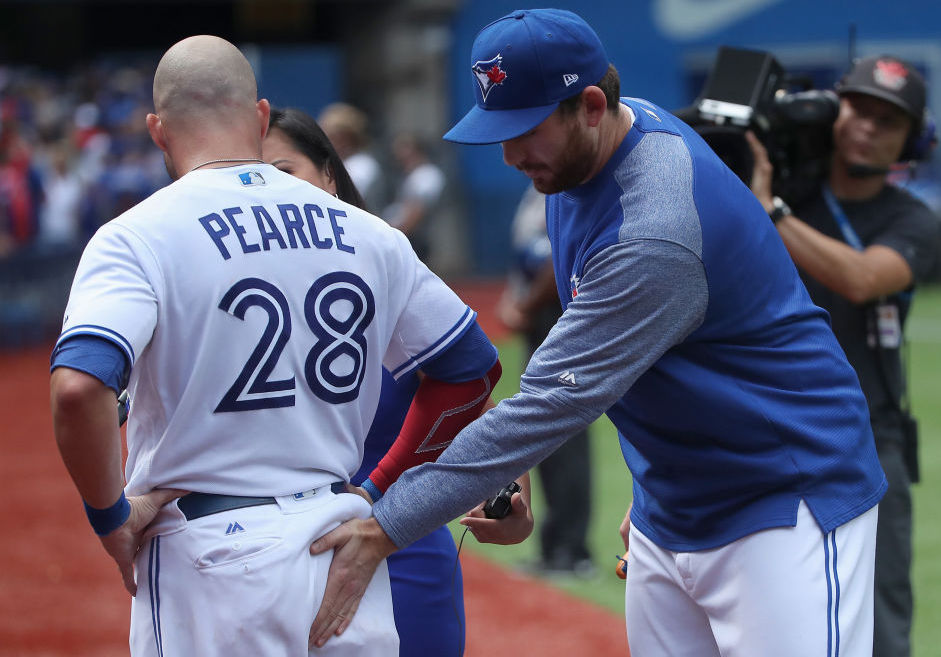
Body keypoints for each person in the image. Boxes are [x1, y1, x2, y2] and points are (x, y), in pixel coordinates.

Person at [307, 10, 889, 657]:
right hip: (673, 507)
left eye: (526, 129)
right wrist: (613, 480)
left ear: (588, 105)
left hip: (783, 499)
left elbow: (553, 403)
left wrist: (383, 527)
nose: (509, 154)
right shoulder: (589, 150)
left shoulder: (654, 230)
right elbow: (566, 375)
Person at [48, 35, 506, 656]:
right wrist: (376, 487)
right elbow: (472, 369)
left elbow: (79, 387)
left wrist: (110, 519)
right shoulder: (369, 233)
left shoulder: (136, 236)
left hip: (209, 555)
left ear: (158, 130)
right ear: (259, 116)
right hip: (340, 543)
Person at [263, 105, 534, 655]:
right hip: (264, 561)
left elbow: (474, 390)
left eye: (283, 172)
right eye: (250, 178)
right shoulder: (223, 301)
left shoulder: (386, 268)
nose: (268, 193)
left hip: (398, 550)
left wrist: (512, 501)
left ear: (329, 175)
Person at [747, 55, 941, 657]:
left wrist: (769, 211)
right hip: (767, 426)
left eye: (889, 120)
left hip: (868, 433)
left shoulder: (913, 218)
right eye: (859, 108)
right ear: (836, 110)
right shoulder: (788, 192)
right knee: (760, 609)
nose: (867, 126)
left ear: (912, 140)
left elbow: (861, 278)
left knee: (879, 614)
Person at [499, 183, 594, 577]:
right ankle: (556, 547)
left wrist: (526, 303)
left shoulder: (571, 189)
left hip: (556, 314)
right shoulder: (536, 189)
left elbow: (560, 256)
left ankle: (572, 552)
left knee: (564, 435)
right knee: (547, 438)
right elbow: (526, 253)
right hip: (541, 317)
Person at [382, 132, 446, 262]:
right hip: (403, 236)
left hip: (414, 238)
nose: (398, 154)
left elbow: (418, 210)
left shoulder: (426, 175)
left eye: (403, 148)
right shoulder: (411, 175)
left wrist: (396, 236)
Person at [318, 102, 386, 211]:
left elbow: (343, 198)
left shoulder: (363, 165)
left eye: (337, 137)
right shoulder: (339, 163)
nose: (330, 142)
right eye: (328, 136)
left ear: (352, 138)